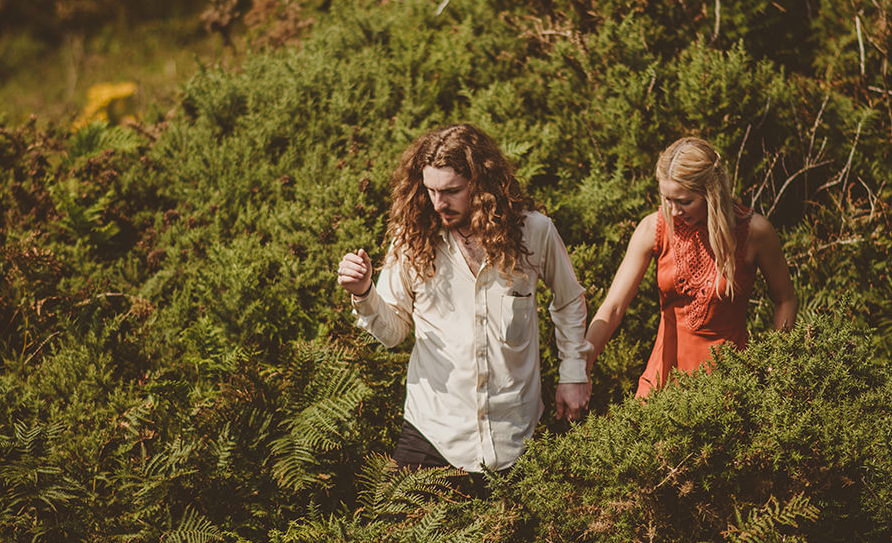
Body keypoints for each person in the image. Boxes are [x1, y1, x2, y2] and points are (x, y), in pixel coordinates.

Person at [336, 123, 591, 474]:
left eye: (452, 191)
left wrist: (574, 374)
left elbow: (568, 301)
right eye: (430, 191)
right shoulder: (411, 239)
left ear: (481, 183)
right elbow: (393, 333)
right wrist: (365, 292)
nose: (439, 203)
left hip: (516, 435)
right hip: (432, 432)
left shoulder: (533, 231)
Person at [585, 135, 797, 396]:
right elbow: (614, 307)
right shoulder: (653, 228)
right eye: (668, 199)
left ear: (712, 193)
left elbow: (785, 299)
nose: (674, 211)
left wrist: (779, 364)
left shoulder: (755, 232)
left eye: (684, 201)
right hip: (661, 382)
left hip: (728, 384)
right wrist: (580, 365)